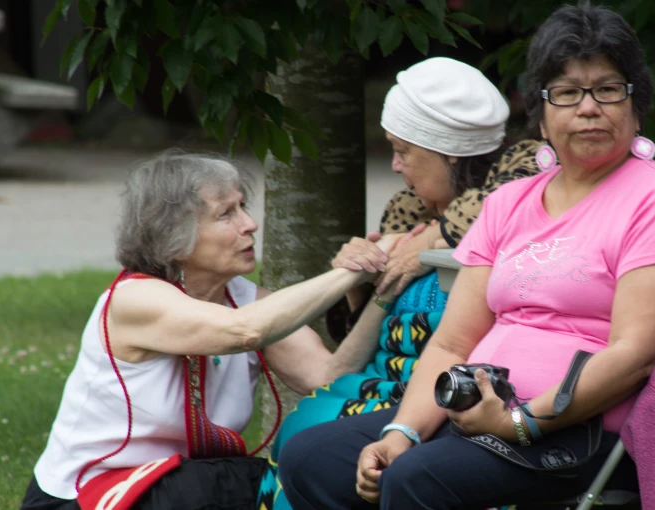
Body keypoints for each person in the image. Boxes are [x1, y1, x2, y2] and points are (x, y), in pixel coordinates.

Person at [278, 4, 655, 509]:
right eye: (567, 92)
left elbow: (633, 354)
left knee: (417, 480)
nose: (589, 107)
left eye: (607, 89)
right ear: (540, 110)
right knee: (310, 457)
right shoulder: (509, 202)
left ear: (634, 101)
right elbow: (450, 344)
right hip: (474, 411)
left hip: (582, 433)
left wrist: (522, 420)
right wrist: (402, 431)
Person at [20, 151, 396, 510]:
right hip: (90, 497)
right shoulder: (135, 300)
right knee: (277, 484)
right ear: (176, 237)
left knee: (306, 475)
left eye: (243, 206)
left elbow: (327, 375)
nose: (250, 223)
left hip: (180, 484)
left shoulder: (246, 300)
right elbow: (245, 331)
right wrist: (348, 272)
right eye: (226, 213)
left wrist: (377, 292)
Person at [257, 57, 540, 509]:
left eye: (404, 151)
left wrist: (437, 236)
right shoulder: (407, 218)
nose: (394, 165)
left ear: (448, 149)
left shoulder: (515, 211)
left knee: (314, 435)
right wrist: (357, 285)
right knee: (308, 427)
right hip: (380, 389)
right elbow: (375, 345)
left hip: (440, 403)